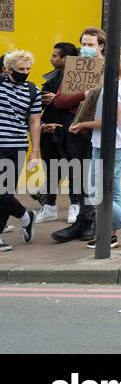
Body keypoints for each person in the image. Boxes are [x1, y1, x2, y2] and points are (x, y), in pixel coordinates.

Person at [68, 49, 121, 249]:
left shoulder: (114, 86)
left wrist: (84, 124)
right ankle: (109, 235)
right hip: (118, 142)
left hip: (107, 144)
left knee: (96, 192)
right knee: (114, 189)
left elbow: (112, 120)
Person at [47, 28, 106, 243]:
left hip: (97, 129)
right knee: (79, 175)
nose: (86, 48)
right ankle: (83, 220)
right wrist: (83, 94)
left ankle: (92, 221)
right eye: (84, 44)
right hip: (74, 128)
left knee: (94, 177)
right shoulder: (74, 68)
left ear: (101, 46)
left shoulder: (110, 68)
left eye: (91, 44)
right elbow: (59, 100)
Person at [0, 51, 43, 250]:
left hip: (15, 145)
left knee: (4, 191)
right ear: (8, 69)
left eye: (28, 69)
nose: (24, 73)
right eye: (20, 69)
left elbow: (34, 121)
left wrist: (35, 150)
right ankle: (26, 215)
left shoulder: (33, 91)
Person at [33, 43, 79, 225]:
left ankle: (75, 205)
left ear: (66, 59)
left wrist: (58, 99)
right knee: (52, 168)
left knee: (75, 168)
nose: (51, 59)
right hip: (51, 127)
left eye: (55, 56)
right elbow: (39, 104)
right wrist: (43, 99)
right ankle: (49, 205)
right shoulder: (51, 77)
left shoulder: (79, 77)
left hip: (71, 126)